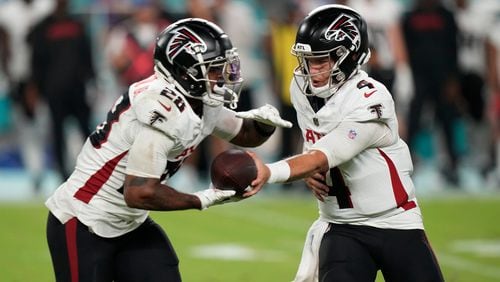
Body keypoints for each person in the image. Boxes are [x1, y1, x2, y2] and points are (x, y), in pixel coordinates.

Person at [45, 18, 291, 282]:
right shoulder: (161, 108)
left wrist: (265, 124)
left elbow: (245, 133)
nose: (222, 77)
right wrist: (201, 199)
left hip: (130, 222)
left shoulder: (199, 101)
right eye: (213, 69)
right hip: (84, 219)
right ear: (184, 71)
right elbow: (139, 192)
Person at [244, 5, 444, 281]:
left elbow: (325, 154)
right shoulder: (302, 88)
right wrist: (309, 172)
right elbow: (313, 143)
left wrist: (269, 172)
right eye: (306, 60)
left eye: (320, 61)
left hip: (394, 220)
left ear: (348, 58)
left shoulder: (371, 98)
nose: (310, 70)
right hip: (341, 225)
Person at [29, 0, 95, 181]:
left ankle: (92, 170)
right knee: (58, 134)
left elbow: (87, 56)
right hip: (55, 90)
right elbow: (37, 62)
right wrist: (35, 88)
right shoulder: (43, 27)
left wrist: (92, 82)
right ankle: (62, 175)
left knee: (86, 132)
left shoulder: (77, 25)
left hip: (77, 89)